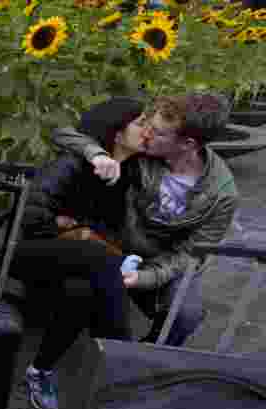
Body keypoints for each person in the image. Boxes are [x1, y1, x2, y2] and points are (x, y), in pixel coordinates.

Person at [53, 92, 238, 346]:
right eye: (149, 125)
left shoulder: (222, 194)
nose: (147, 134)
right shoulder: (143, 150)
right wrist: (96, 153)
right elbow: (63, 134)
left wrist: (145, 278)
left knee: (185, 315)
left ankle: (145, 359)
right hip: (116, 242)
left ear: (188, 144)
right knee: (80, 288)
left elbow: (191, 253)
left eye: (159, 133)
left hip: (164, 259)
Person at [7, 96, 149, 409]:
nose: (147, 129)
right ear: (116, 132)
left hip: (85, 261)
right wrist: (71, 226)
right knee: (100, 259)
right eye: (140, 123)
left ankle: (39, 370)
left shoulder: (132, 174)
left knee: (82, 291)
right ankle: (122, 365)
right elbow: (30, 217)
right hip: (32, 252)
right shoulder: (73, 164)